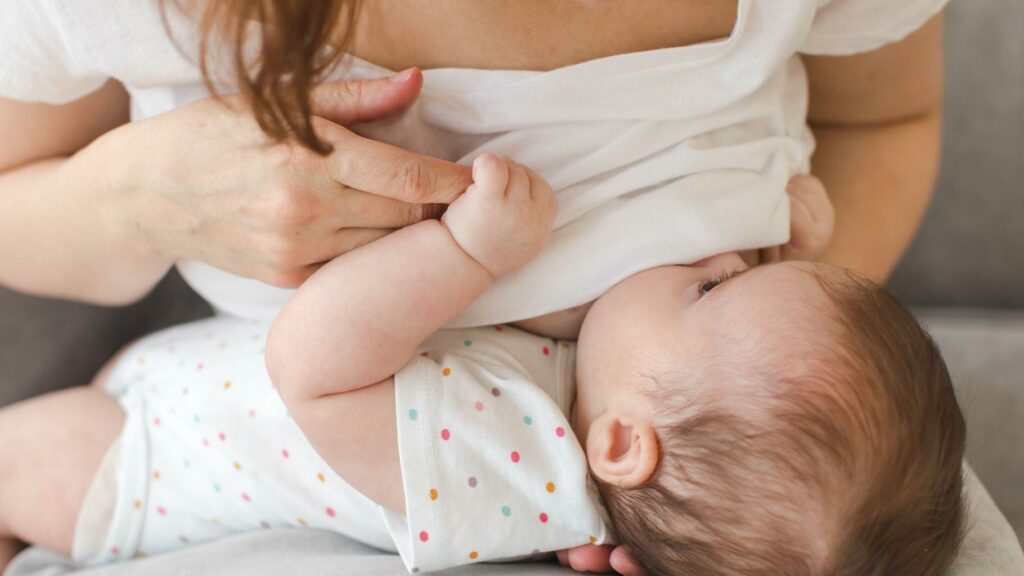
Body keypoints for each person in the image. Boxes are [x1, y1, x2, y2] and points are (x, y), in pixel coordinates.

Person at [0, 0, 950, 572]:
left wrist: (467, 255)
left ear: (622, 444)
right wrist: (138, 193)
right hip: (200, 402)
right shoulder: (602, 421)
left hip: (167, 456)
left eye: (716, 289)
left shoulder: (517, 447)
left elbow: (318, 364)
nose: (727, 265)